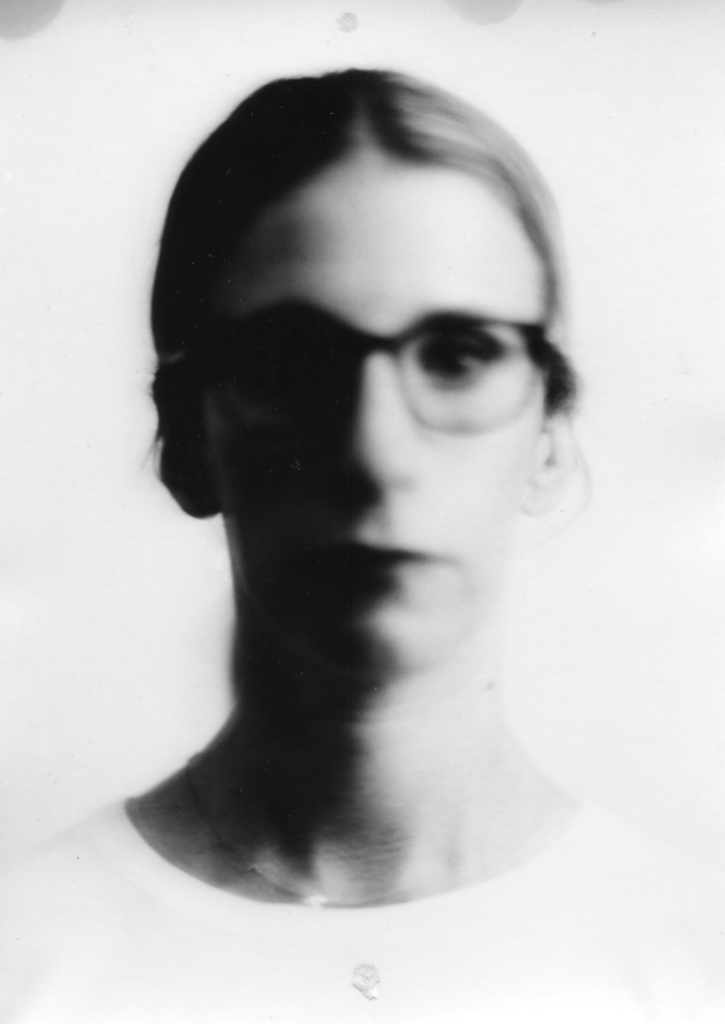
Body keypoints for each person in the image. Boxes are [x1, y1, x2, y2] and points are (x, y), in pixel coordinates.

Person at [0, 69, 722, 1024]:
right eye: (289, 362)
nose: (377, 454)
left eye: (458, 355)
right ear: (187, 440)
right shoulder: (27, 959)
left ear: (549, 435)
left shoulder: (694, 962)